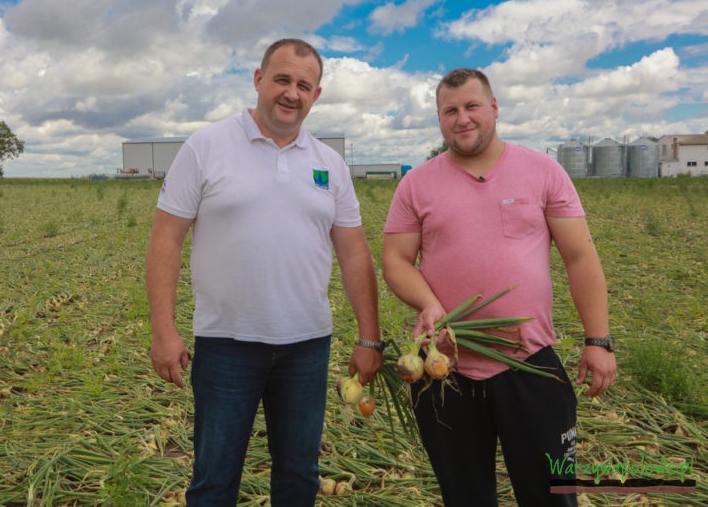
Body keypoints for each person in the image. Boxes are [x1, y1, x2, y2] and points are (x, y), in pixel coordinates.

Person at [145, 38, 382, 506]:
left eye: (304, 85)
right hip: (225, 345)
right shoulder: (207, 146)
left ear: (316, 94)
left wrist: (369, 336)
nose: (291, 93)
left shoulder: (329, 164)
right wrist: (163, 331)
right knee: (214, 477)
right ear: (258, 80)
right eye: (282, 79)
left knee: (298, 477)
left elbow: (355, 254)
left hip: (307, 347)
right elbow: (165, 241)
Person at [382, 68, 617, 506]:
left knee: (552, 494)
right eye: (449, 110)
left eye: (472, 106)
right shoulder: (417, 182)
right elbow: (395, 260)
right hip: (444, 369)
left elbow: (580, 257)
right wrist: (429, 304)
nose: (462, 118)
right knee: (464, 495)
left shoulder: (542, 170)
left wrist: (598, 339)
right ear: (439, 118)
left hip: (530, 363)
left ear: (494, 108)